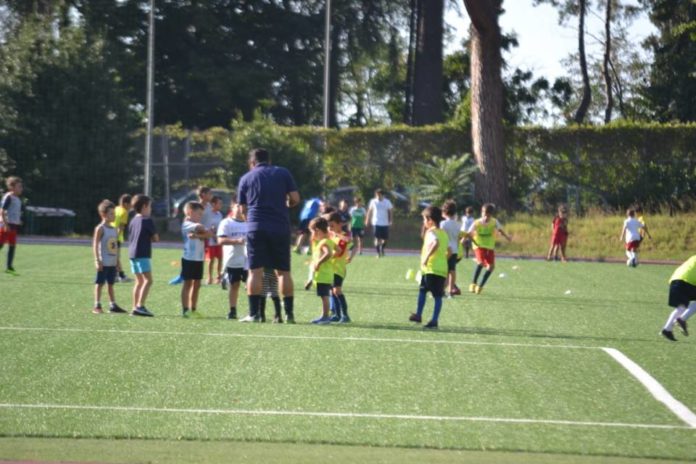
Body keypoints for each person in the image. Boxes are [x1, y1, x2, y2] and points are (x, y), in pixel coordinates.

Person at [237, 148, 300, 323]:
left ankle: (254, 314)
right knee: (283, 272)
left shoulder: (246, 178)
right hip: (280, 227)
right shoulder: (282, 172)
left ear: (252, 162)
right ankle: (288, 314)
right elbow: (295, 198)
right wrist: (286, 204)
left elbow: (242, 210)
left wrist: (250, 221)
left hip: (256, 227)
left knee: (255, 272)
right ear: (269, 160)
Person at [409, 206, 448, 329]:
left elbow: (435, 243)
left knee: (422, 290)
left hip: (431, 268)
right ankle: (434, 320)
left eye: (424, 219)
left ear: (430, 220)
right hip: (441, 269)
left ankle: (419, 315)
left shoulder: (431, 232)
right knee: (437, 296)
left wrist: (426, 258)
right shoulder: (444, 233)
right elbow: (449, 250)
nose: (423, 222)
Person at [466, 203, 512, 294]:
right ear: (481, 212)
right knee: (480, 263)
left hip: (489, 246)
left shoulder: (494, 222)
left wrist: (507, 237)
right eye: (484, 213)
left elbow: (500, 230)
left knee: (491, 267)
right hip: (478, 245)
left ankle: (480, 286)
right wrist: (462, 240)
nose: (486, 216)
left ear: (491, 214)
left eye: (488, 215)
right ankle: (473, 283)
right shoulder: (477, 222)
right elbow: (468, 233)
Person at [91, 200, 126, 314]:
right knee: (100, 283)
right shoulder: (100, 228)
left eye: (114, 214)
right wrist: (97, 260)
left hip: (112, 262)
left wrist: (117, 262)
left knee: (111, 283)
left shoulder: (114, 229)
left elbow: (114, 246)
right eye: (111, 214)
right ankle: (97, 305)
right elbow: (95, 244)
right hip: (103, 262)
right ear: (103, 214)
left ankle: (112, 305)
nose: (114, 216)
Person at [128, 194, 159, 316]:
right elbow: (156, 238)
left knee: (139, 281)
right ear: (145, 206)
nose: (151, 209)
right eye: (150, 206)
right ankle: (140, 306)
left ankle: (134, 307)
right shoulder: (147, 220)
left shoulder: (133, 220)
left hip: (132, 254)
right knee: (148, 280)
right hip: (142, 253)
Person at [180, 201, 213, 318]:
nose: (200, 217)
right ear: (190, 212)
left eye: (201, 215)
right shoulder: (187, 224)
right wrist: (205, 232)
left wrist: (199, 235)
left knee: (197, 284)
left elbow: (210, 234)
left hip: (199, 258)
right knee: (187, 283)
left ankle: (193, 309)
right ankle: (185, 309)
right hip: (189, 258)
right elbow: (203, 228)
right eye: (199, 214)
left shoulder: (195, 224)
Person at [217, 199, 247, 320]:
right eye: (238, 206)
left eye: (243, 206)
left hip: (248, 261)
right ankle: (232, 310)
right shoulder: (226, 223)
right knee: (234, 285)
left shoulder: (250, 223)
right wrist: (236, 241)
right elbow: (220, 240)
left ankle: (254, 311)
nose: (241, 209)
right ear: (232, 207)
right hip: (233, 261)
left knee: (251, 286)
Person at [660, 255, 696, 341]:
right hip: (685, 281)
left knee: (681, 307)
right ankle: (681, 319)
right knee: (681, 308)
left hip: (676, 280)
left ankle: (667, 329)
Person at [327, 212, 355, 323]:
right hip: (330, 268)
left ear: (339, 224)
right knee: (332, 292)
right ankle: (336, 314)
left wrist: (325, 258)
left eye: (332, 225)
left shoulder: (343, 236)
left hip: (338, 269)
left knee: (337, 290)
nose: (330, 228)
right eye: (329, 226)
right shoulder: (331, 236)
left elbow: (339, 252)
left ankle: (345, 315)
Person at [308, 217, 335, 324]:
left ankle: (325, 317)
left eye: (312, 232)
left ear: (317, 230)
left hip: (323, 274)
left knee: (324, 296)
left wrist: (319, 262)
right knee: (324, 296)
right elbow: (337, 251)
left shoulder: (323, 242)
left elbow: (328, 253)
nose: (312, 235)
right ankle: (324, 316)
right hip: (326, 273)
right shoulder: (328, 240)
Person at [0, 176, 23, 276]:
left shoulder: (17, 199)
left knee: (12, 245)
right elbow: (2, 211)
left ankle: (9, 267)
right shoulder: (9, 197)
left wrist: (19, 220)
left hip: (13, 225)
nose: (21, 189)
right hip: (6, 225)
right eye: (19, 186)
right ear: (12, 187)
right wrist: (5, 224)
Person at [440, 200, 461, 297]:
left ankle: (441, 290)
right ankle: (451, 291)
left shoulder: (443, 224)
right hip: (455, 250)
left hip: (446, 250)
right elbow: (458, 238)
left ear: (444, 212)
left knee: (444, 271)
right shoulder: (458, 224)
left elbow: (441, 237)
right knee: (452, 271)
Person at [365, 188, 393, 258]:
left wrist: (391, 220)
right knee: (377, 238)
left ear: (382, 195)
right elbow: (369, 211)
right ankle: (378, 253)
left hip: (385, 223)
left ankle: (382, 248)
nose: (378, 196)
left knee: (385, 239)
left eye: (379, 195)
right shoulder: (373, 201)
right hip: (376, 222)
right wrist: (367, 220)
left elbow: (390, 211)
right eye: (376, 195)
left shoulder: (387, 202)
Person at [112, 194, 133, 282]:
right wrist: (116, 237)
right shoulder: (124, 212)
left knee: (113, 256)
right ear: (125, 204)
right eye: (130, 204)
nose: (131, 206)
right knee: (115, 256)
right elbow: (121, 226)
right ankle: (121, 276)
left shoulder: (116, 208)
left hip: (109, 234)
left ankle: (116, 275)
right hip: (116, 237)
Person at [205, 195, 224, 285]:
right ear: (213, 204)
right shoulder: (208, 214)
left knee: (220, 258)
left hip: (218, 240)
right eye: (219, 203)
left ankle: (219, 277)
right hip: (211, 240)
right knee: (211, 259)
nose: (221, 205)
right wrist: (213, 235)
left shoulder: (219, 214)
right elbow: (208, 226)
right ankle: (209, 278)